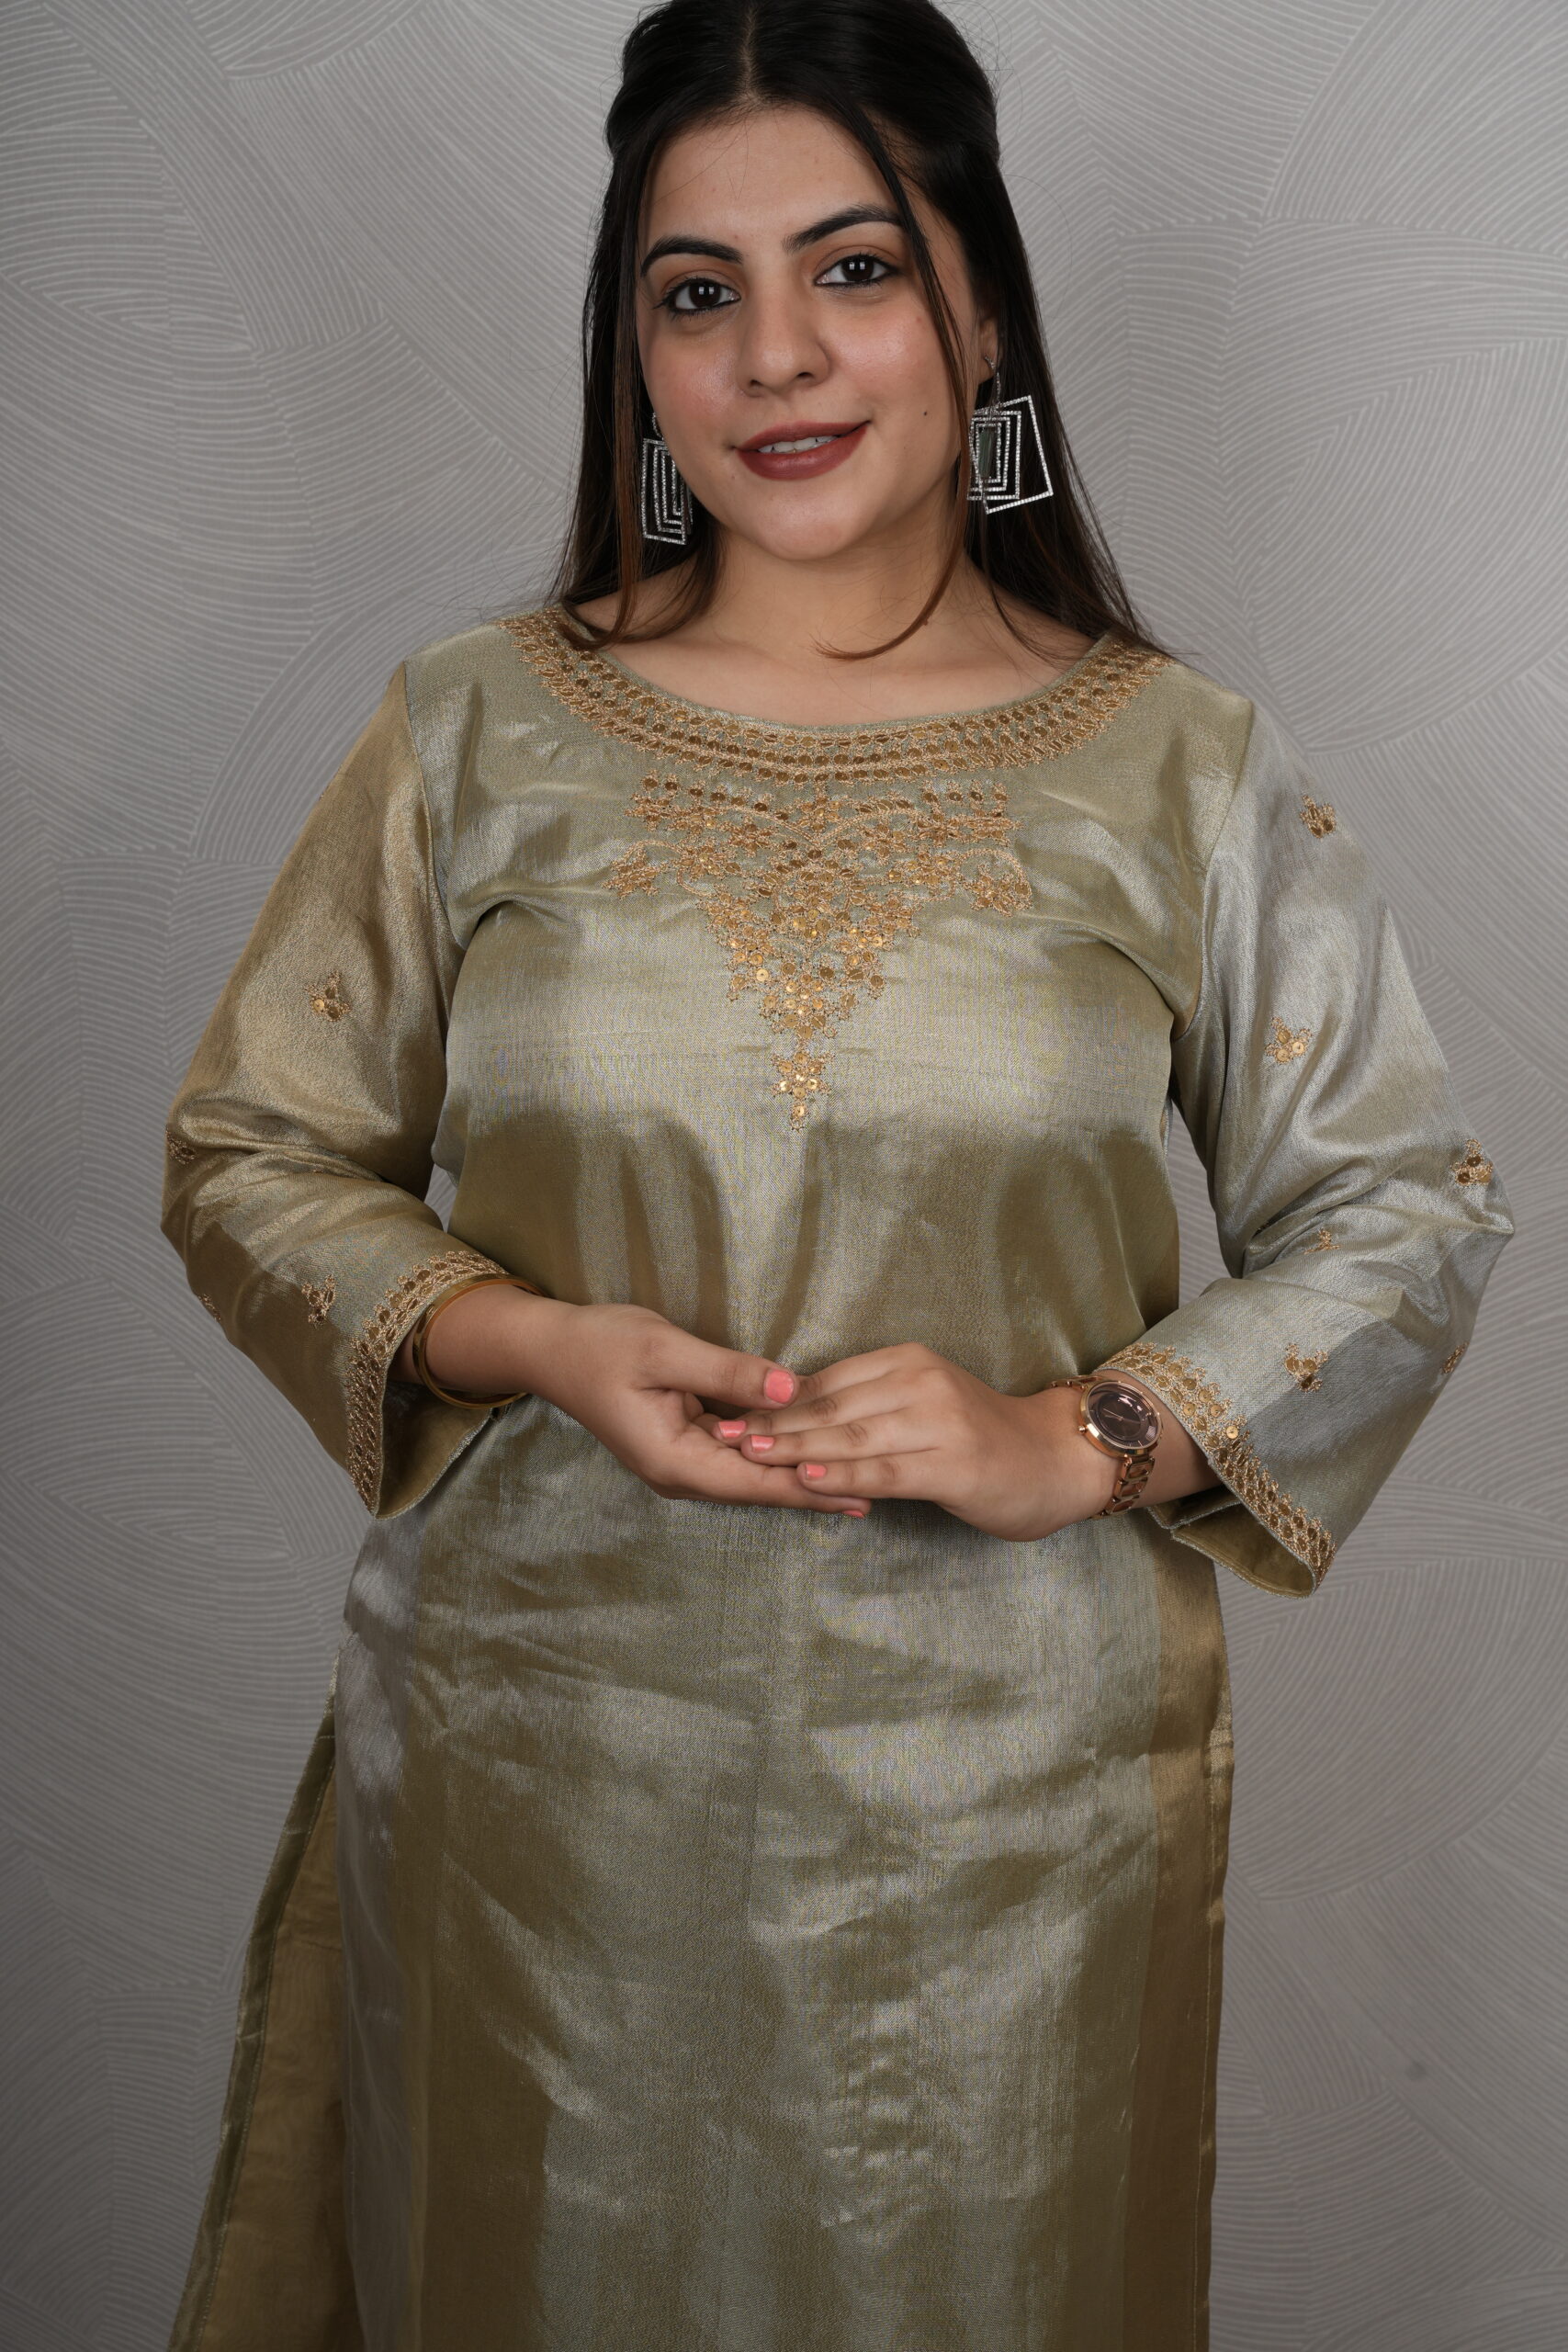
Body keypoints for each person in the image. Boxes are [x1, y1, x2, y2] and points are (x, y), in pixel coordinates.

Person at [158, 3, 1515, 2346]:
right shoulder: (478, 727)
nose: (772, 354)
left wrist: (1074, 1431)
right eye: (694, 292)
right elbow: (251, 1144)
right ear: (636, 351)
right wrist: (533, 1338)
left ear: (978, 309)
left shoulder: (1175, 766)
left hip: (1013, 1810)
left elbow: (1401, 1200)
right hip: (543, 1774)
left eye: (852, 268)